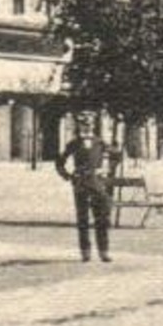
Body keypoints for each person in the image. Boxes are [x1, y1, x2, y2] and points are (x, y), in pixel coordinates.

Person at [55, 113, 114, 263]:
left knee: (101, 218)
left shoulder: (100, 142)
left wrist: (107, 170)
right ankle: (85, 252)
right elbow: (60, 162)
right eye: (83, 124)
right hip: (80, 183)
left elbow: (116, 156)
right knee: (83, 219)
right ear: (80, 126)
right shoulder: (74, 143)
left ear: (93, 125)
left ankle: (103, 251)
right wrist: (68, 176)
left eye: (89, 124)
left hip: (97, 183)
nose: (87, 127)